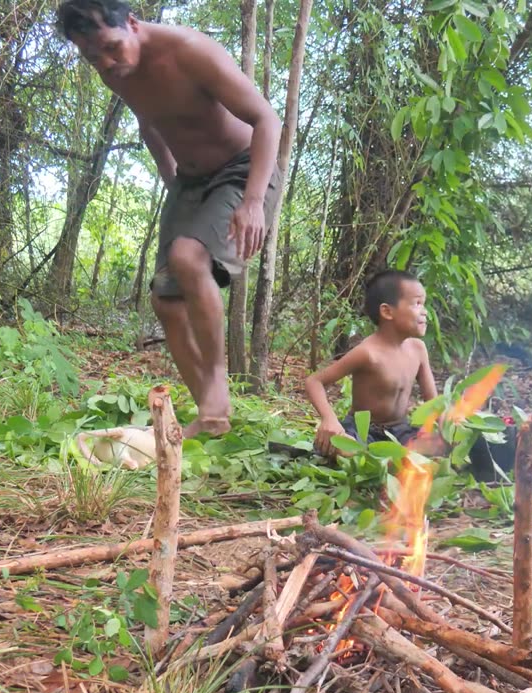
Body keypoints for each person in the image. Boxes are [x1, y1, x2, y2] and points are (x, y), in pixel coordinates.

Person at [56, 0, 283, 437]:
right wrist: (172, 181)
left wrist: (253, 201)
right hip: (191, 183)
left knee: (187, 257)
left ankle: (217, 385)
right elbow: (149, 123)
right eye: (91, 58)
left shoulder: (190, 51)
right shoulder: (113, 72)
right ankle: (212, 417)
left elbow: (266, 119)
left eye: (110, 47)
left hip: (242, 168)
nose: (105, 63)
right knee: (165, 301)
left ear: (134, 25)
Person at [304, 270, 439, 456]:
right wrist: (330, 420)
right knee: (341, 446)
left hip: (402, 432)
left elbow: (434, 403)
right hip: (363, 431)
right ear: (387, 311)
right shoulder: (368, 352)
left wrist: (447, 425)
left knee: (445, 443)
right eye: (417, 303)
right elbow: (314, 381)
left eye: (423, 304)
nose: (424, 312)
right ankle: (387, 458)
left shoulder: (418, 349)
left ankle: (390, 457)